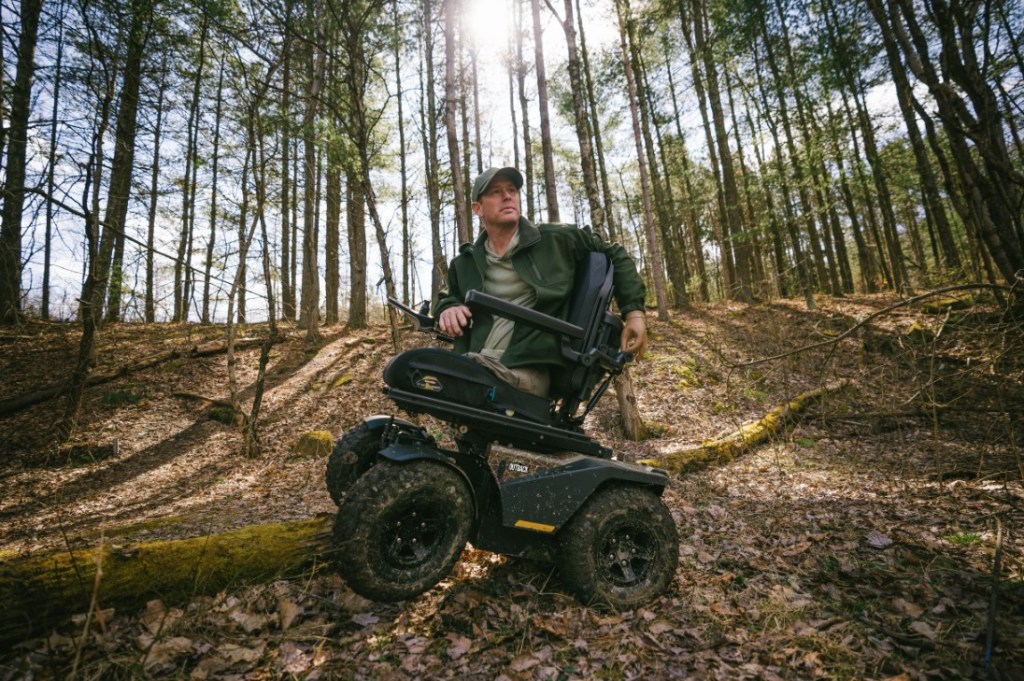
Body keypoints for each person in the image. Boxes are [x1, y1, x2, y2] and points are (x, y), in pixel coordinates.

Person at [435, 166, 648, 398]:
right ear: (478, 209)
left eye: (512, 190)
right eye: (496, 192)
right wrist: (448, 307)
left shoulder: (555, 240)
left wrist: (634, 313)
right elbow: (448, 296)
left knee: (436, 372)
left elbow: (614, 253)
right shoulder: (465, 263)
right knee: (409, 371)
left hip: (527, 370)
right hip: (476, 362)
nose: (507, 196)